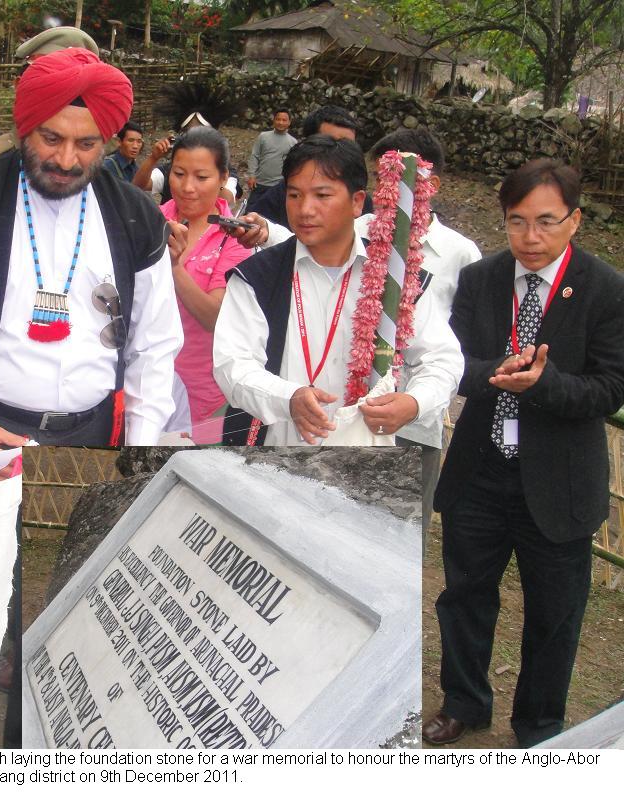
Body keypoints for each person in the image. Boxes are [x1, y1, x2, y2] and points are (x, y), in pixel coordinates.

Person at [0, 46, 181, 495]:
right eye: (51, 138)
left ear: (106, 141)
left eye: (86, 145)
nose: (66, 160)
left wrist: (137, 454)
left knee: (73, 565)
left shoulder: (136, 217)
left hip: (99, 440)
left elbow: (155, 346)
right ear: (25, 128)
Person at [426, 159, 624, 748]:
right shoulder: (483, 278)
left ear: (574, 221)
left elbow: (611, 387)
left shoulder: (605, 288)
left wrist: (545, 383)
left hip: (559, 482)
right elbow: (452, 364)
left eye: (545, 222)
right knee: (464, 595)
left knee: (554, 615)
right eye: (516, 222)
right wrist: (497, 374)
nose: (530, 239)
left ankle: (538, 728)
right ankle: (464, 703)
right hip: (480, 471)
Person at [212, 135, 462, 446]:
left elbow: (441, 359)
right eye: (294, 195)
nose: (305, 209)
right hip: (277, 448)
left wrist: (414, 403)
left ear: (357, 202)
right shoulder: (257, 276)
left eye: (322, 195)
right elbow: (232, 364)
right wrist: (288, 397)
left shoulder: (394, 278)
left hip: (366, 458)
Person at [357, 128, 481, 542]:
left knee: (401, 536)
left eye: (402, 177)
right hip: (347, 408)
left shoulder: (459, 253)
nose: (389, 189)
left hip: (415, 416)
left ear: (433, 183)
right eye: (382, 176)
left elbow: (461, 337)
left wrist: (420, 392)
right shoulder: (354, 234)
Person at [160, 127, 251, 443]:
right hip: (145, 380)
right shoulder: (150, 219)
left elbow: (214, 316)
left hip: (201, 390)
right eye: (179, 173)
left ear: (223, 177)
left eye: (201, 177)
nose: (187, 187)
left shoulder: (234, 239)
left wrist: (173, 266)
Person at [249, 105, 372, 230]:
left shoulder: (362, 202)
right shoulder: (277, 198)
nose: (306, 211)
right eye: (332, 144)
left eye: (349, 146)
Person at [245, 109, 296, 200]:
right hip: (259, 183)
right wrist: (251, 175)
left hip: (279, 186)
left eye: (284, 120)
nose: (280, 122)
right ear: (274, 120)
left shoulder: (293, 142)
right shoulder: (263, 137)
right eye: (278, 119)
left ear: (289, 122)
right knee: (252, 212)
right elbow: (255, 156)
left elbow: (293, 165)